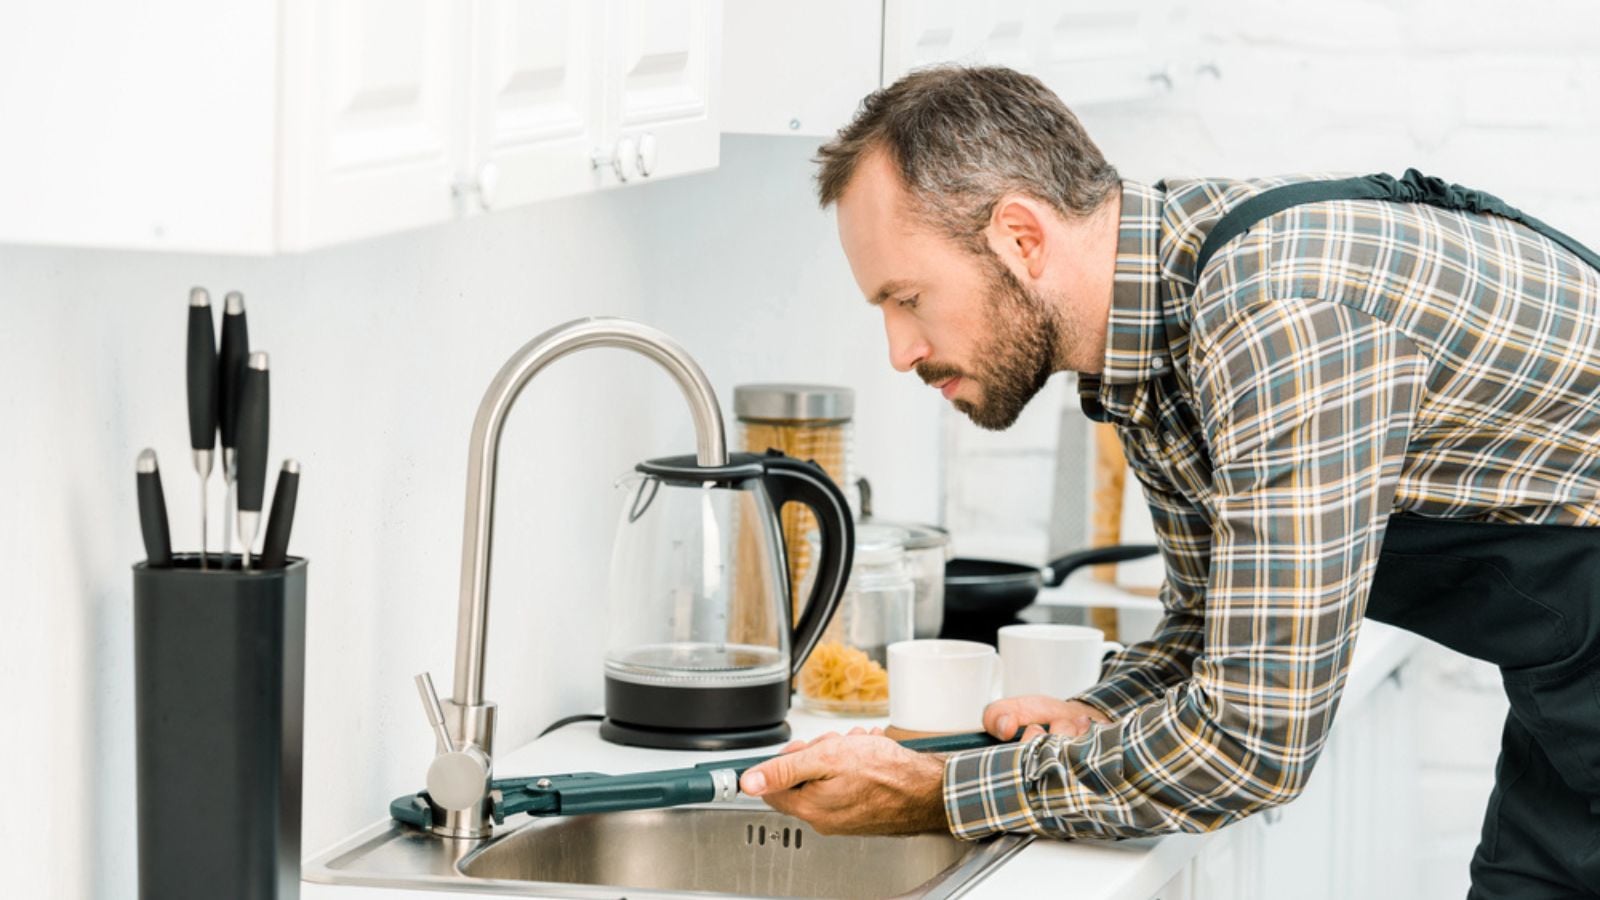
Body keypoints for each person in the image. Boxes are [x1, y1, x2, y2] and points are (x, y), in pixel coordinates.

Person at [735, 65, 1600, 898]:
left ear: (1021, 237)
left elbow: (1252, 741)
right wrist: (1097, 713)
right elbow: (1207, 623)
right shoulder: (1154, 325)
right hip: (1567, 699)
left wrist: (940, 795)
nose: (901, 351)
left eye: (908, 298)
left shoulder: (1277, 318)